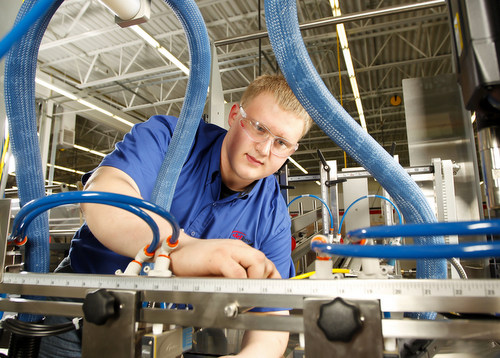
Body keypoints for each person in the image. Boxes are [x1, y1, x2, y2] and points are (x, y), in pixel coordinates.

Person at [38, 74, 313, 358]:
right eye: (258, 128)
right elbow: (103, 194)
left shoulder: (272, 214)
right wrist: (178, 249)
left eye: (281, 143)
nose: (265, 149)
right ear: (234, 116)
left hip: (170, 333)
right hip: (80, 314)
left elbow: (271, 313)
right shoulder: (170, 138)